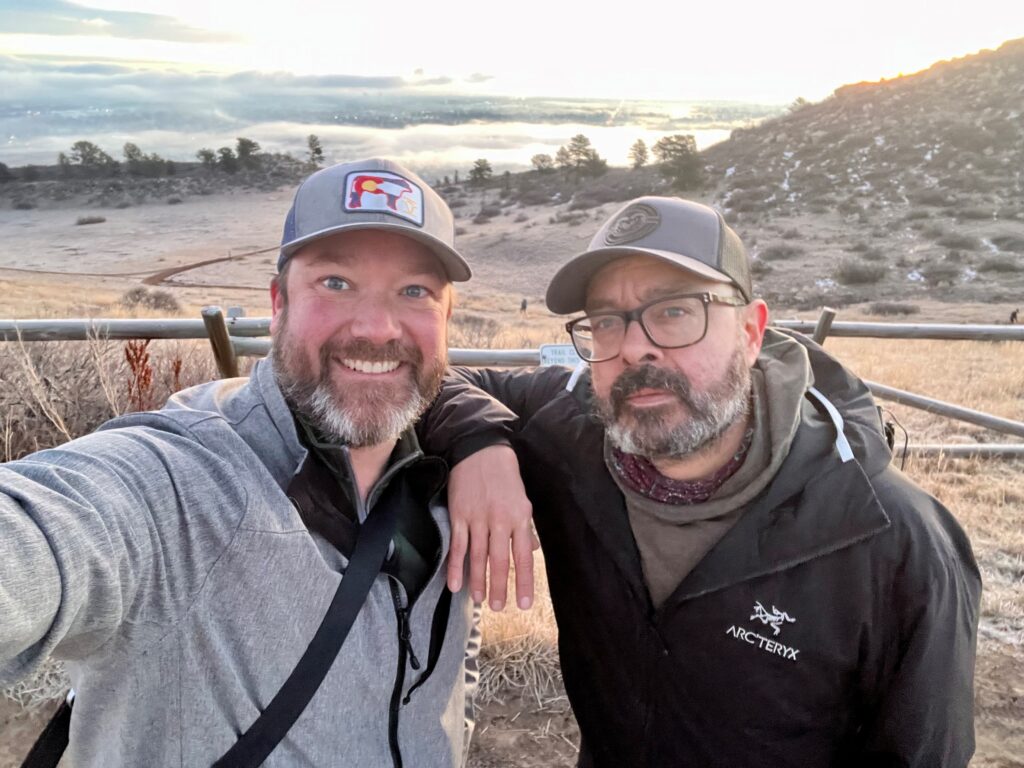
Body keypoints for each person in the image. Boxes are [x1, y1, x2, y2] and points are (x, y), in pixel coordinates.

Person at [0, 158, 523, 767]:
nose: (378, 328)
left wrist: (486, 442)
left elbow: (450, 680)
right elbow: (47, 529)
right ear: (278, 304)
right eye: (335, 282)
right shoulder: (182, 478)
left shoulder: (447, 484)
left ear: (446, 316)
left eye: (414, 292)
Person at [442, 197, 981, 767]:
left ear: (751, 332)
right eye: (605, 322)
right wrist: (481, 444)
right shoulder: (567, 433)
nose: (632, 347)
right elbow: (442, 381)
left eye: (675, 311)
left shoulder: (894, 540)